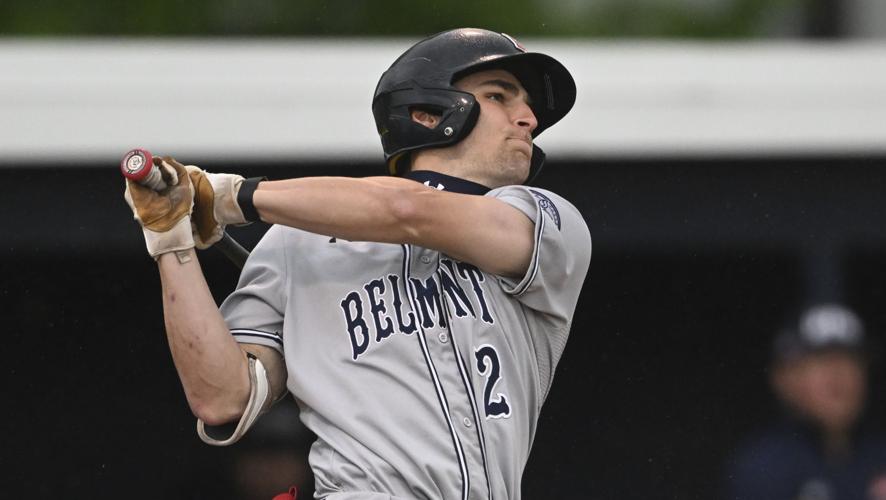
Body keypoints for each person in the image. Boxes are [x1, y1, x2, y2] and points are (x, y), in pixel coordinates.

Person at [123, 28, 591, 499]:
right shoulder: (294, 242)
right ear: (427, 112)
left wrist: (230, 197)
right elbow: (221, 397)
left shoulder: (548, 222)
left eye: (528, 105)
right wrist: (171, 244)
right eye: (499, 96)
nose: (529, 118)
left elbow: (409, 211)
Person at [724, 303, 886, 500]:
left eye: (850, 361)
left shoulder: (881, 456)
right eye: (821, 362)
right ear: (783, 378)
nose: (838, 376)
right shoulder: (764, 469)